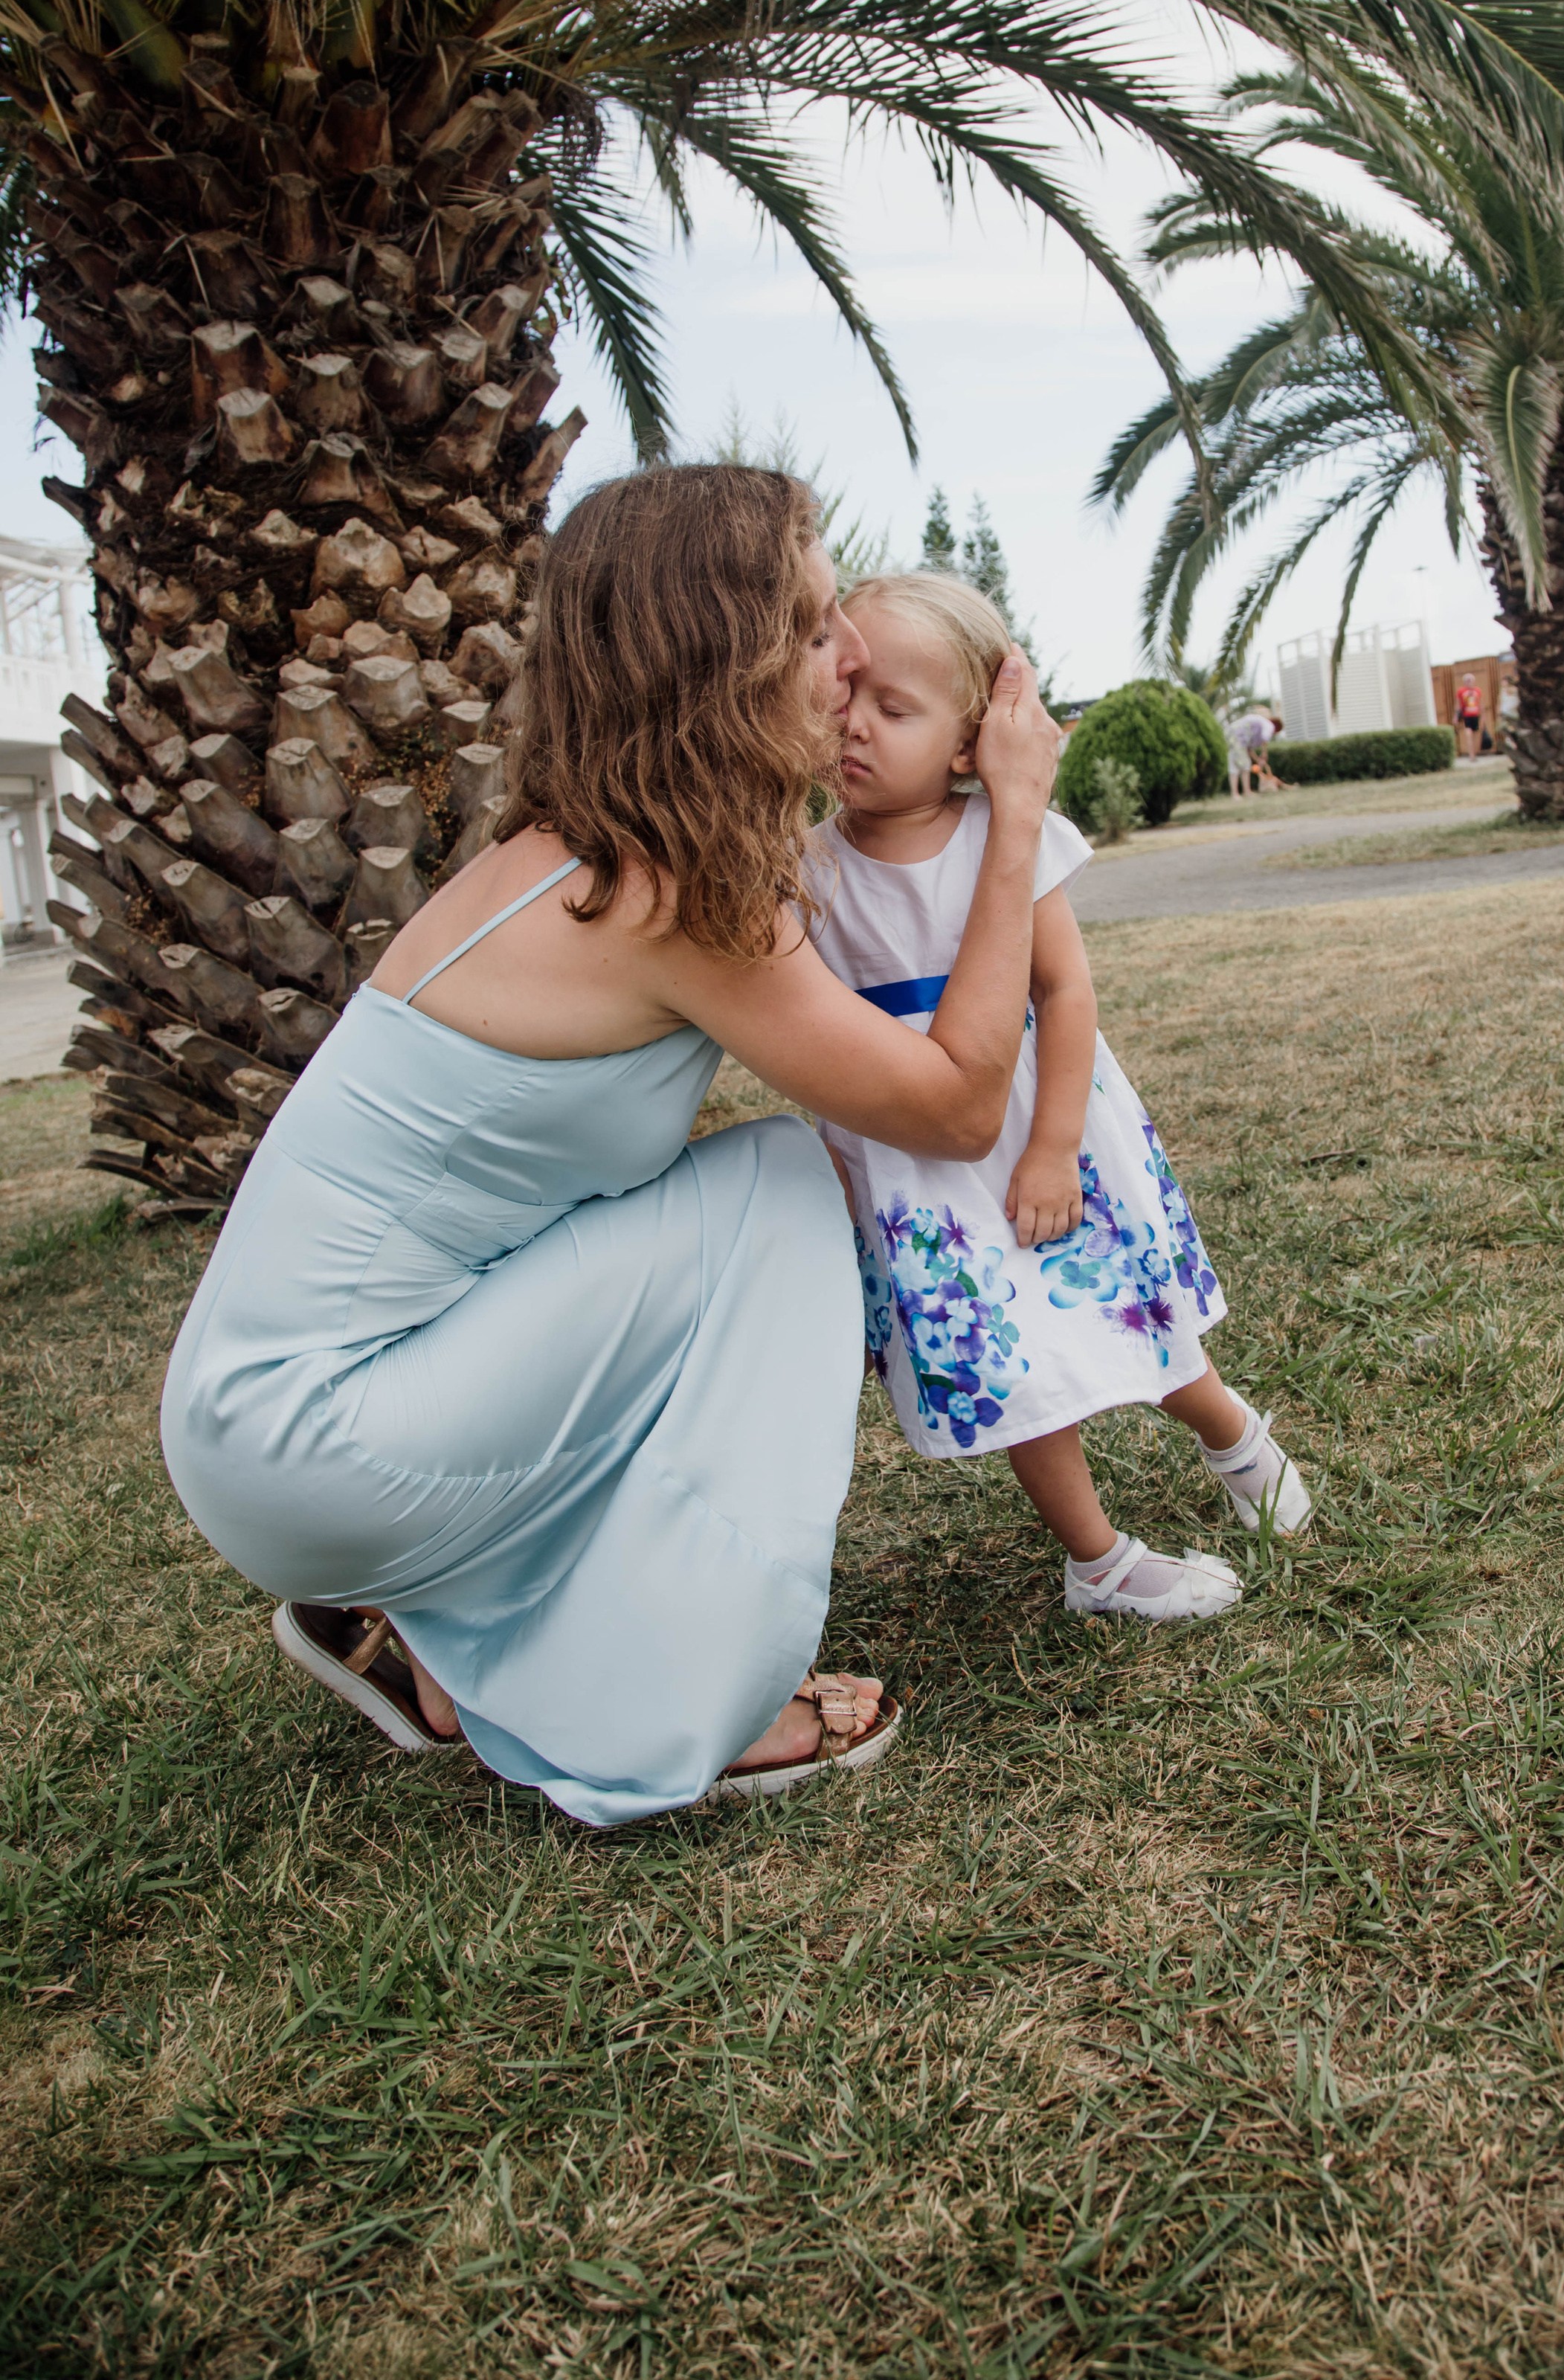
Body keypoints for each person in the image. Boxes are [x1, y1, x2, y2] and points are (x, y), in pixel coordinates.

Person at [160, 467, 1062, 1825]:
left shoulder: (586, 851)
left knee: (691, 1209)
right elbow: (956, 1105)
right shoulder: (670, 898)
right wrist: (1016, 819)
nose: (857, 652)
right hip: (319, 1438)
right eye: (818, 626)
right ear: (722, 657)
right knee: (778, 1185)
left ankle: (432, 1639)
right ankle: (696, 1695)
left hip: (265, 1425)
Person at [806, 573, 1313, 1623]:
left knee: (1130, 1308)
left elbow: (1065, 990)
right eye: (847, 696)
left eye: (894, 710)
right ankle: (1097, 1559)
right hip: (917, 1162)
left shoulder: (1009, 836)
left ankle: (1230, 1432)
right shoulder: (808, 868)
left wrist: (1054, 1145)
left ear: (970, 743)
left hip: (1045, 1126)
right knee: (1012, 1359)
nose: (856, 725)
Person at [1455, 672, 1484, 760]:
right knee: (1468, 734)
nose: (1469, 682)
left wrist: (1483, 716)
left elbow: (1481, 703)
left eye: (1470, 680)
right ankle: (1471, 755)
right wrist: (1456, 716)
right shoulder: (1461, 691)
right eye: (1467, 680)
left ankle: (1474, 753)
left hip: (1476, 714)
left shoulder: (1477, 690)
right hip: (1466, 715)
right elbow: (1458, 704)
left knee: (1475, 735)